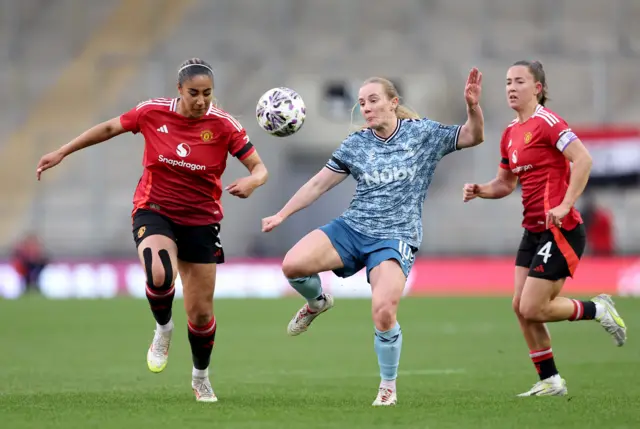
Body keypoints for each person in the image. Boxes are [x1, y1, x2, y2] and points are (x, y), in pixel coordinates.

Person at [35, 58, 268, 402]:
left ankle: (200, 377)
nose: (201, 100)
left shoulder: (224, 125)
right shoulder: (152, 112)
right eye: (194, 93)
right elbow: (110, 128)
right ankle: (163, 328)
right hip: (154, 209)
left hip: (201, 220)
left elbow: (259, 167)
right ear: (179, 90)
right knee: (159, 272)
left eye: (207, 93)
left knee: (201, 313)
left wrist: (253, 181)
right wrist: (63, 151)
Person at [262, 69, 485, 406]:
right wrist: (282, 214)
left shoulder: (422, 133)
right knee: (293, 265)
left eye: (373, 100)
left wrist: (472, 107)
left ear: (394, 103)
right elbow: (318, 184)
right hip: (353, 228)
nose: (366, 107)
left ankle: (387, 387)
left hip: (395, 236)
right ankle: (317, 302)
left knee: (383, 311)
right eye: (362, 102)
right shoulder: (356, 143)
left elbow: (473, 136)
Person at [462, 60, 626, 397]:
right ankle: (550, 379)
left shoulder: (549, 123)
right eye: (507, 81)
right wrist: (481, 189)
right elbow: (505, 184)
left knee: (532, 307)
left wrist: (565, 204)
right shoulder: (509, 133)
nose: (510, 87)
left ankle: (598, 308)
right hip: (533, 230)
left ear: (537, 88)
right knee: (519, 306)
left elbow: (584, 160)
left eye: (519, 81)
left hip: (561, 229)